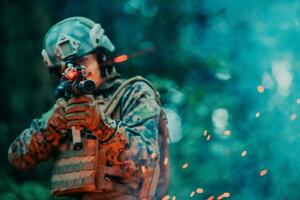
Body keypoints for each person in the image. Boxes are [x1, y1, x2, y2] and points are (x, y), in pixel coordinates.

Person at [8, 16, 169, 200]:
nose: (75, 72)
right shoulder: (64, 108)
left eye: (82, 62)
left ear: (101, 58)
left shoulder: (134, 93)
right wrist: (54, 124)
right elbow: (18, 157)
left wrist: (101, 125)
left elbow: (147, 161)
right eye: (65, 69)